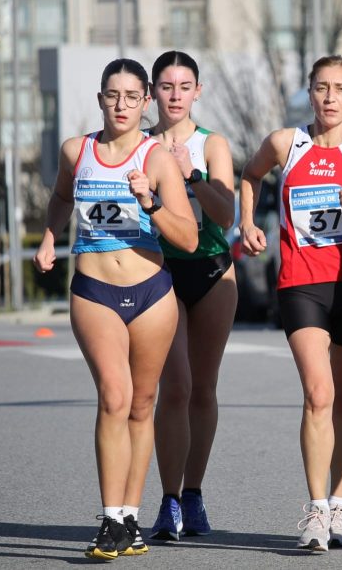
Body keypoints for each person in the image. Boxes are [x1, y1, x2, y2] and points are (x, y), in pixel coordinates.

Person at [33, 58, 198, 560]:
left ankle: (130, 516)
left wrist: (150, 202)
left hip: (151, 293)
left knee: (143, 405)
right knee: (113, 396)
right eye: (112, 96)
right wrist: (48, 238)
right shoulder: (76, 151)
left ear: (145, 101)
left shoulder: (157, 157)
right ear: (101, 98)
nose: (121, 106)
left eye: (131, 97)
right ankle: (109, 519)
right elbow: (62, 197)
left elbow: (188, 238)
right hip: (94, 290)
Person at [239, 55, 342, 552]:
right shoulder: (286, 143)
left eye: (340, 88)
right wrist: (247, 223)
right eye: (321, 88)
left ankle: (338, 507)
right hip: (301, 284)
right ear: (310, 93)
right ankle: (314, 510)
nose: (330, 97)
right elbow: (250, 175)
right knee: (318, 394)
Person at [144, 51, 237, 540]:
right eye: (166, 85)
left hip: (213, 272)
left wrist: (193, 176)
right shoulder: (139, 145)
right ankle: (169, 500)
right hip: (160, 270)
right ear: (153, 92)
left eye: (184, 86)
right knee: (174, 388)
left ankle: (194, 492)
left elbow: (226, 216)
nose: (175, 95)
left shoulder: (212, 144)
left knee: (203, 389)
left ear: (197, 91)